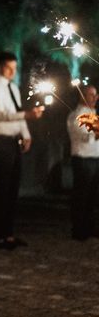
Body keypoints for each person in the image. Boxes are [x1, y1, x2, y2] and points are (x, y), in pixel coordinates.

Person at [0, 51, 43, 250]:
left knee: (13, 188)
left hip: (14, 139)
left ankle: (8, 233)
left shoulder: (14, 88)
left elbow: (17, 112)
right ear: (0, 67)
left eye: (14, 68)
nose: (12, 72)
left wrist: (25, 132)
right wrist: (26, 114)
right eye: (9, 68)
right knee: (3, 188)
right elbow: (0, 113)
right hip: (0, 140)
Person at [66, 84, 99, 241]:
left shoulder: (92, 113)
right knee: (82, 196)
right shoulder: (77, 114)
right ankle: (79, 229)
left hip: (94, 158)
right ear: (82, 96)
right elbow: (84, 136)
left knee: (91, 196)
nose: (95, 98)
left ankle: (89, 227)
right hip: (82, 158)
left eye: (96, 95)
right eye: (92, 95)